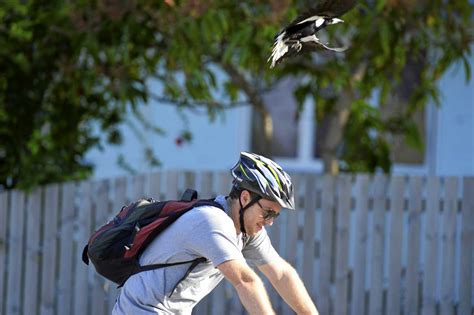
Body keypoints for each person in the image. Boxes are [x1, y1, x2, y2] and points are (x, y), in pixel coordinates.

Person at [113, 152, 319, 315]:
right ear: (245, 198)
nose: (270, 222)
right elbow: (245, 281)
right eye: (268, 212)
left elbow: (282, 274)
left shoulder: (247, 230)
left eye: (276, 215)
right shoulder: (212, 221)